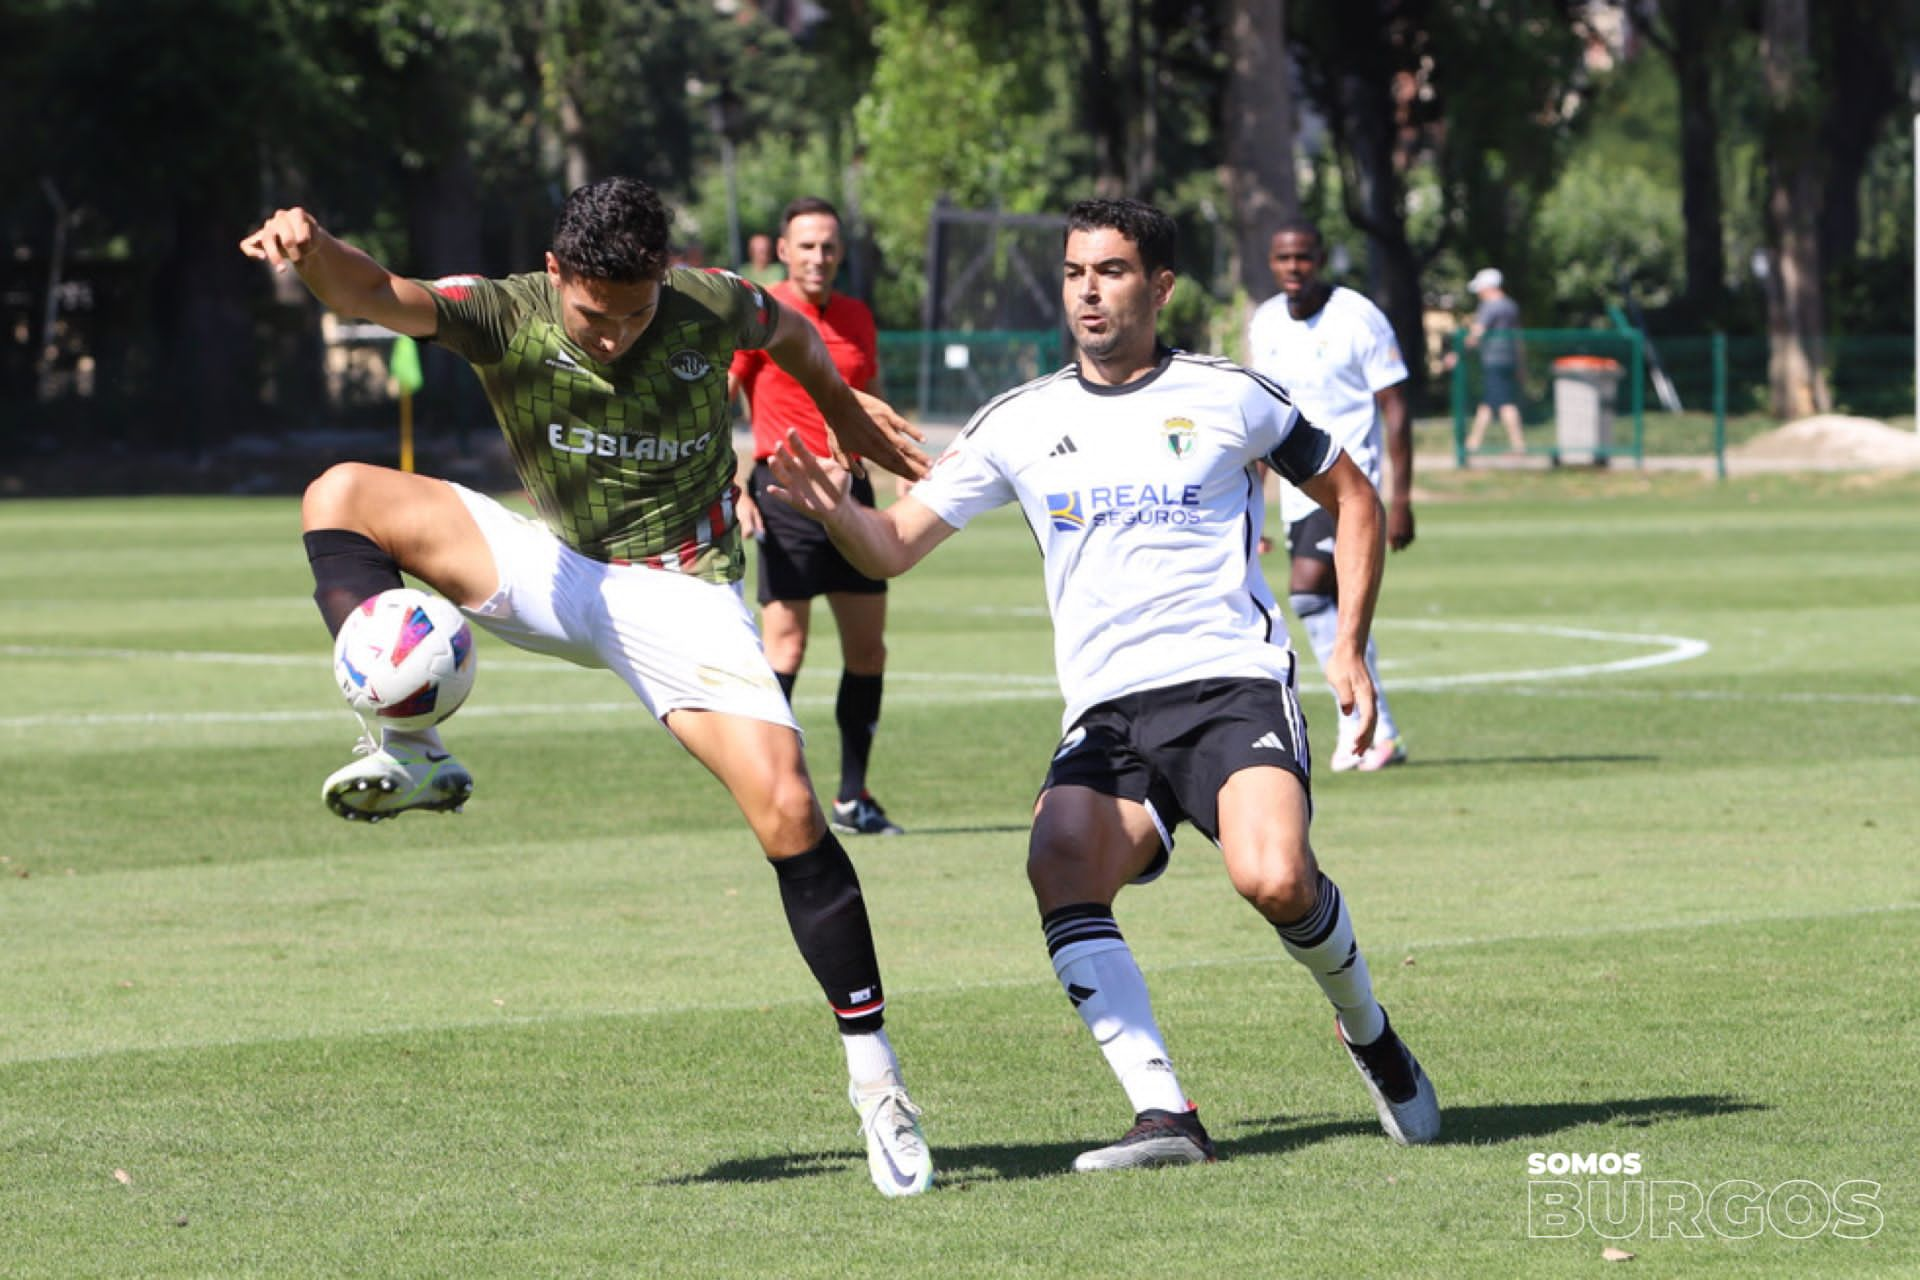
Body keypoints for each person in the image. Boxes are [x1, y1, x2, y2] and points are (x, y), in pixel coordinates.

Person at [239, 177, 935, 1198]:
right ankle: (410, 747)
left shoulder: (709, 300)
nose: (610, 336)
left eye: (633, 311)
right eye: (591, 314)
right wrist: (314, 246)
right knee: (339, 493)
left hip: (679, 593)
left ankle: (879, 1085)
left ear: (662, 276)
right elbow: (378, 296)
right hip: (554, 569)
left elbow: (789, 333)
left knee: (789, 805)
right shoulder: (507, 308)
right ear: (557, 273)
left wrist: (842, 411)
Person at [766, 198, 1439, 1171]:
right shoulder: (1023, 420)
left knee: (1275, 876)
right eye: (1077, 270)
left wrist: (1349, 647)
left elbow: (1353, 493)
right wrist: (836, 512)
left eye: (1112, 270)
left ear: (1158, 286)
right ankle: (1165, 1112)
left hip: (1228, 684)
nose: (1090, 288)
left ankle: (1371, 1034)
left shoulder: (1231, 396)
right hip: (1109, 713)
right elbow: (896, 542)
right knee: (1060, 861)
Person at [731, 197, 901, 836]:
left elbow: (870, 404)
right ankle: (771, 791)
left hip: (851, 494)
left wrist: (904, 470)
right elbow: (717, 402)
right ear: (783, 251)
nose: (819, 257)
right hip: (785, 492)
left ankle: (853, 799)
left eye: (828, 246)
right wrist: (734, 484)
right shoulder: (760, 312)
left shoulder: (857, 318)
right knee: (787, 645)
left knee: (868, 649)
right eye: (806, 246)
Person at [1247, 221, 1413, 772]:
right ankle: (1376, 728)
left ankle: (1365, 724)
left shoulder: (1357, 318)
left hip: (1349, 485)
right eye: (1283, 258)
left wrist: (1401, 497)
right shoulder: (1266, 322)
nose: (1293, 268)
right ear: (1272, 263)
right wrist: (1253, 508)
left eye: (1303, 257)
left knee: (1311, 590)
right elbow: (1261, 421)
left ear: (1320, 259)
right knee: (1334, 607)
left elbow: (1395, 407)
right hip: (1297, 489)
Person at [1462, 267, 1525, 453]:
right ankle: (1474, 442)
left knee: (1505, 403)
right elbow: (1519, 337)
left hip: (1494, 360)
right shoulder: (1511, 306)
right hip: (1509, 358)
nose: (1479, 294)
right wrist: (1521, 364)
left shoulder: (1490, 306)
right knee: (1489, 402)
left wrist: (1460, 351)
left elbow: (1478, 331)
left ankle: (1518, 444)